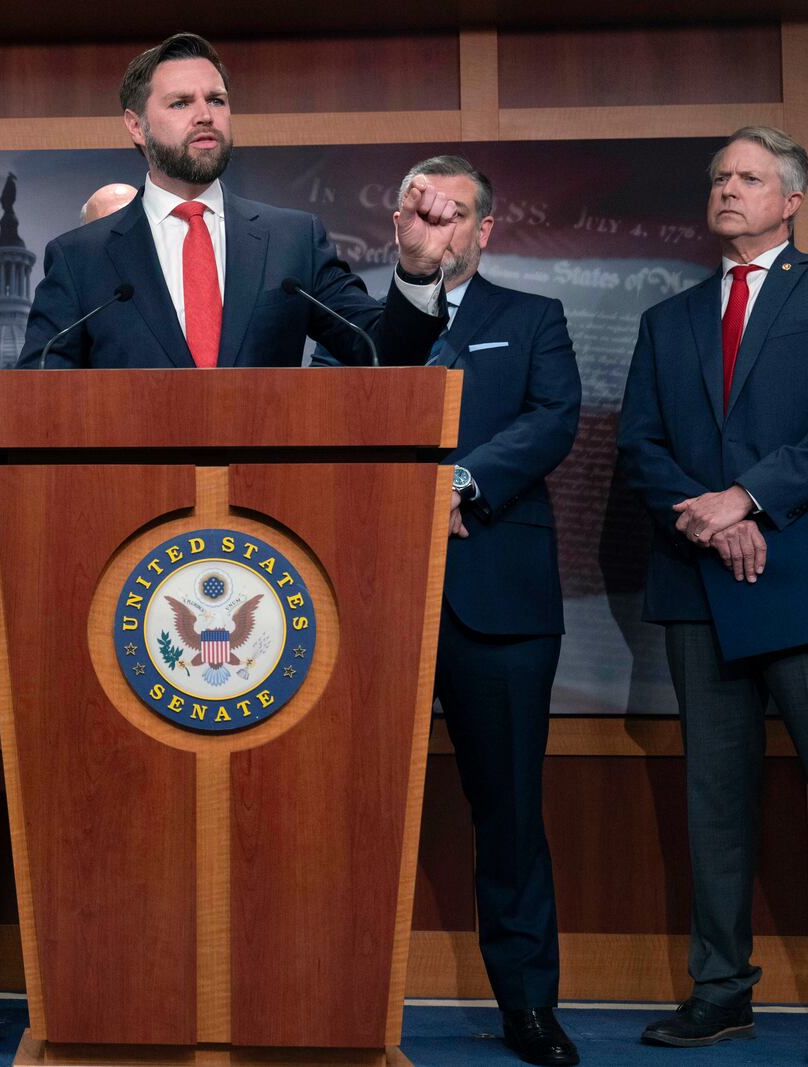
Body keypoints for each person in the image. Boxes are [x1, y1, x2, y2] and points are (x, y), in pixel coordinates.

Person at [618, 125, 808, 1049]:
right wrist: (713, 516)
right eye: (720, 176)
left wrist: (751, 498)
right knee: (716, 802)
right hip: (702, 586)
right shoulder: (670, 321)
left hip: (801, 582)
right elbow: (639, 449)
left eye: (750, 177)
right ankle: (721, 988)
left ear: (791, 202)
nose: (729, 188)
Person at [393, 156, 582, 1066]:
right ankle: (336, 996)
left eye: (453, 214)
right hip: (382, 596)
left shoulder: (533, 319)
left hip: (498, 604)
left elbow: (554, 419)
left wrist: (461, 482)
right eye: (420, 213)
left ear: (486, 228)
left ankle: (530, 1008)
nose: (438, 226)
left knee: (507, 812)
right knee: (352, 805)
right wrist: (410, 276)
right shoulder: (373, 318)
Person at [19, 32, 455, 370]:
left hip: (262, 484)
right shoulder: (80, 259)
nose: (205, 114)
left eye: (217, 100)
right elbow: (38, 398)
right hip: (134, 485)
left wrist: (417, 271)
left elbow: (385, 353)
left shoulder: (293, 240)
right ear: (136, 126)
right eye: (180, 103)